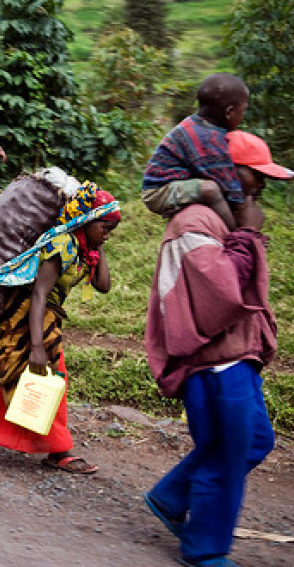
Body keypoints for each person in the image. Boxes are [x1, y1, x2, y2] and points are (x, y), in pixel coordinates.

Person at [143, 130, 290, 567]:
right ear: (226, 171)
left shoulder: (217, 219)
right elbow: (219, 295)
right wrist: (248, 235)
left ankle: (171, 497)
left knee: (255, 441)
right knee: (227, 450)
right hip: (215, 360)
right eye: (255, 175)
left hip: (234, 355)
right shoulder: (193, 223)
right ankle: (205, 550)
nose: (260, 186)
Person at [0, 181, 121, 473]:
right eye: (104, 228)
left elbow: (103, 286)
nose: (107, 235)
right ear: (86, 221)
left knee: (0, 376)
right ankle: (59, 450)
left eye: (111, 230)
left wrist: (98, 245)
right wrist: (36, 347)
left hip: (44, 321)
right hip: (26, 320)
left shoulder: (83, 248)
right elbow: (38, 296)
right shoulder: (60, 246)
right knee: (47, 375)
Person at [142, 73, 250, 230]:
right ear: (229, 112)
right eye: (243, 111)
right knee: (210, 190)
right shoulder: (206, 137)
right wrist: (242, 212)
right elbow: (227, 183)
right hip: (158, 190)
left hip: (177, 182)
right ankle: (233, 233)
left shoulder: (199, 126)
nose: (243, 116)